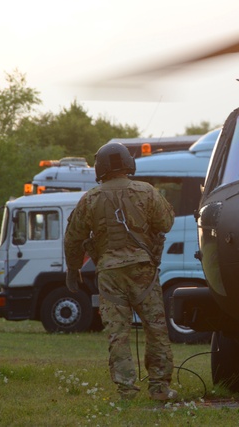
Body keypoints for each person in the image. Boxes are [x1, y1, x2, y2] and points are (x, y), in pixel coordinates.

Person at [64, 142, 177, 401]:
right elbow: (166, 224)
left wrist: (73, 269)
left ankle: (126, 391)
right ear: (128, 163)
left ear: (99, 168)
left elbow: (73, 238)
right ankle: (159, 388)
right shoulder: (146, 192)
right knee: (156, 328)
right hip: (143, 271)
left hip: (109, 273)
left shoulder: (90, 198)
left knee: (118, 333)